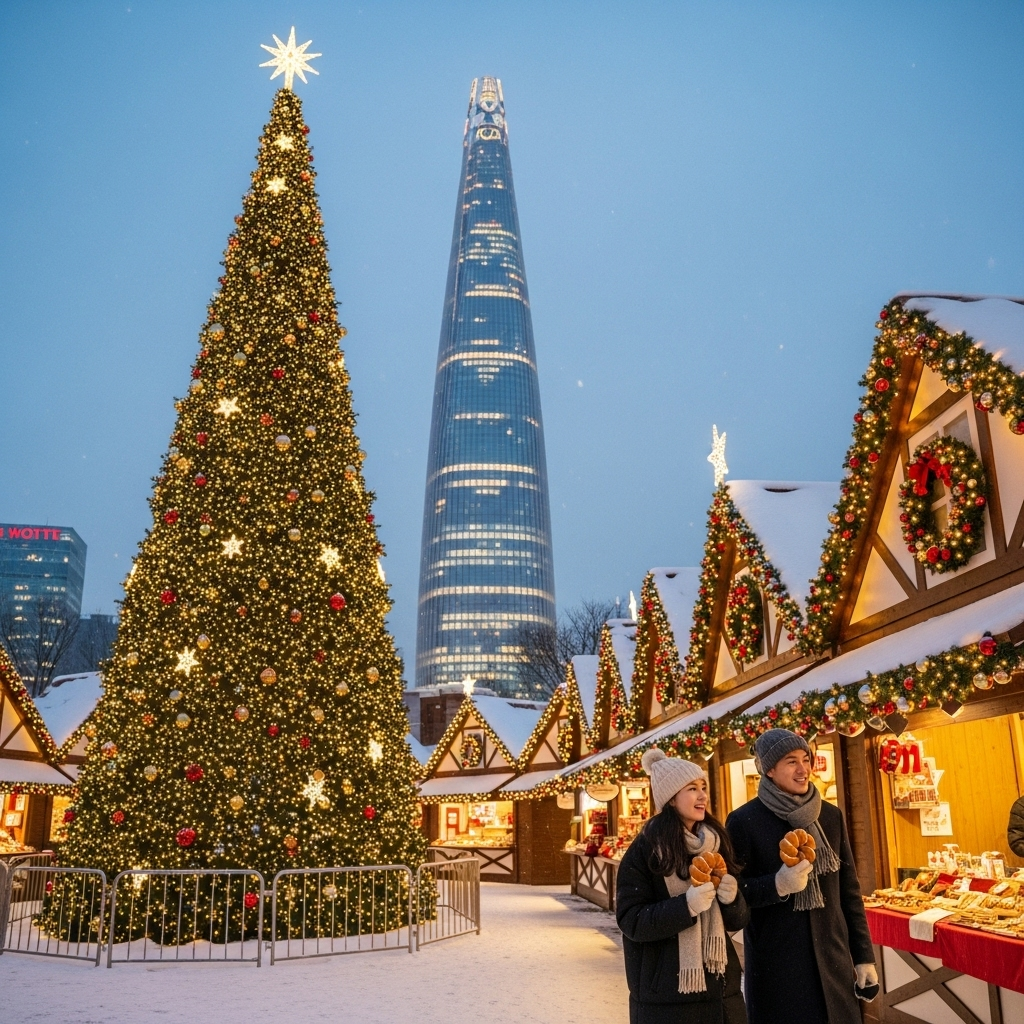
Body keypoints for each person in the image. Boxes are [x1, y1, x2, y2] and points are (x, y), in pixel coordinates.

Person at [725, 729, 876, 1024]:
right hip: (778, 966)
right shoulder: (744, 822)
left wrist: (863, 956)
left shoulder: (830, 816)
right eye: (791, 761)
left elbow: (848, 892)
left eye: (805, 759)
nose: (803, 769)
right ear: (769, 769)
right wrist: (777, 885)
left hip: (833, 962)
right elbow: (734, 895)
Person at [616, 748, 749, 1024]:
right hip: (666, 999)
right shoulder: (646, 851)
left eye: (703, 787)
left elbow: (738, 920)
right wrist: (685, 906)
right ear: (671, 799)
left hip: (721, 994)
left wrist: (733, 899)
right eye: (692, 788)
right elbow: (632, 921)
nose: (703, 795)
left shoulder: (716, 843)